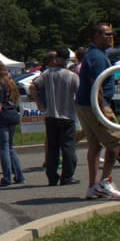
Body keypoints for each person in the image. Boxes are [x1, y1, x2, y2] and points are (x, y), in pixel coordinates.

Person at [76, 23, 120, 199]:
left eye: (112, 33)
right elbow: (97, 85)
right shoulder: (97, 57)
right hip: (95, 105)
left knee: (95, 146)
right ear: (96, 36)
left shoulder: (95, 55)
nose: (111, 36)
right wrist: (102, 111)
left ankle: (92, 187)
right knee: (116, 142)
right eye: (107, 34)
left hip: (85, 105)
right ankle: (104, 182)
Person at [30, 49, 80, 186]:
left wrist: (39, 103)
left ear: (57, 59)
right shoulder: (72, 76)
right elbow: (79, 93)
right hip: (67, 115)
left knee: (52, 148)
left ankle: (52, 177)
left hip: (51, 115)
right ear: (67, 60)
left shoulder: (48, 74)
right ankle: (67, 176)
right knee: (68, 147)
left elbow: (33, 86)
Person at [0, 59, 25, 187]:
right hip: (12, 114)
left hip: (3, 116)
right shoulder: (10, 82)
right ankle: (19, 175)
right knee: (10, 147)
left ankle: (7, 177)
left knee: (3, 147)